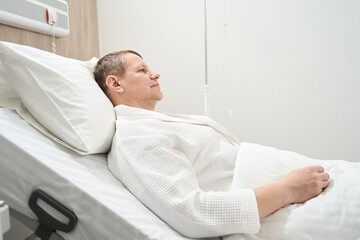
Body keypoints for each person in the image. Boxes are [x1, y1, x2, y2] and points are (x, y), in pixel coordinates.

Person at [93, 50, 330, 238]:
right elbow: (191, 213)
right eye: (142, 70)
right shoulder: (135, 137)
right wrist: (289, 189)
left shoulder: (154, 124)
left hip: (303, 188)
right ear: (115, 84)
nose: (155, 74)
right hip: (287, 207)